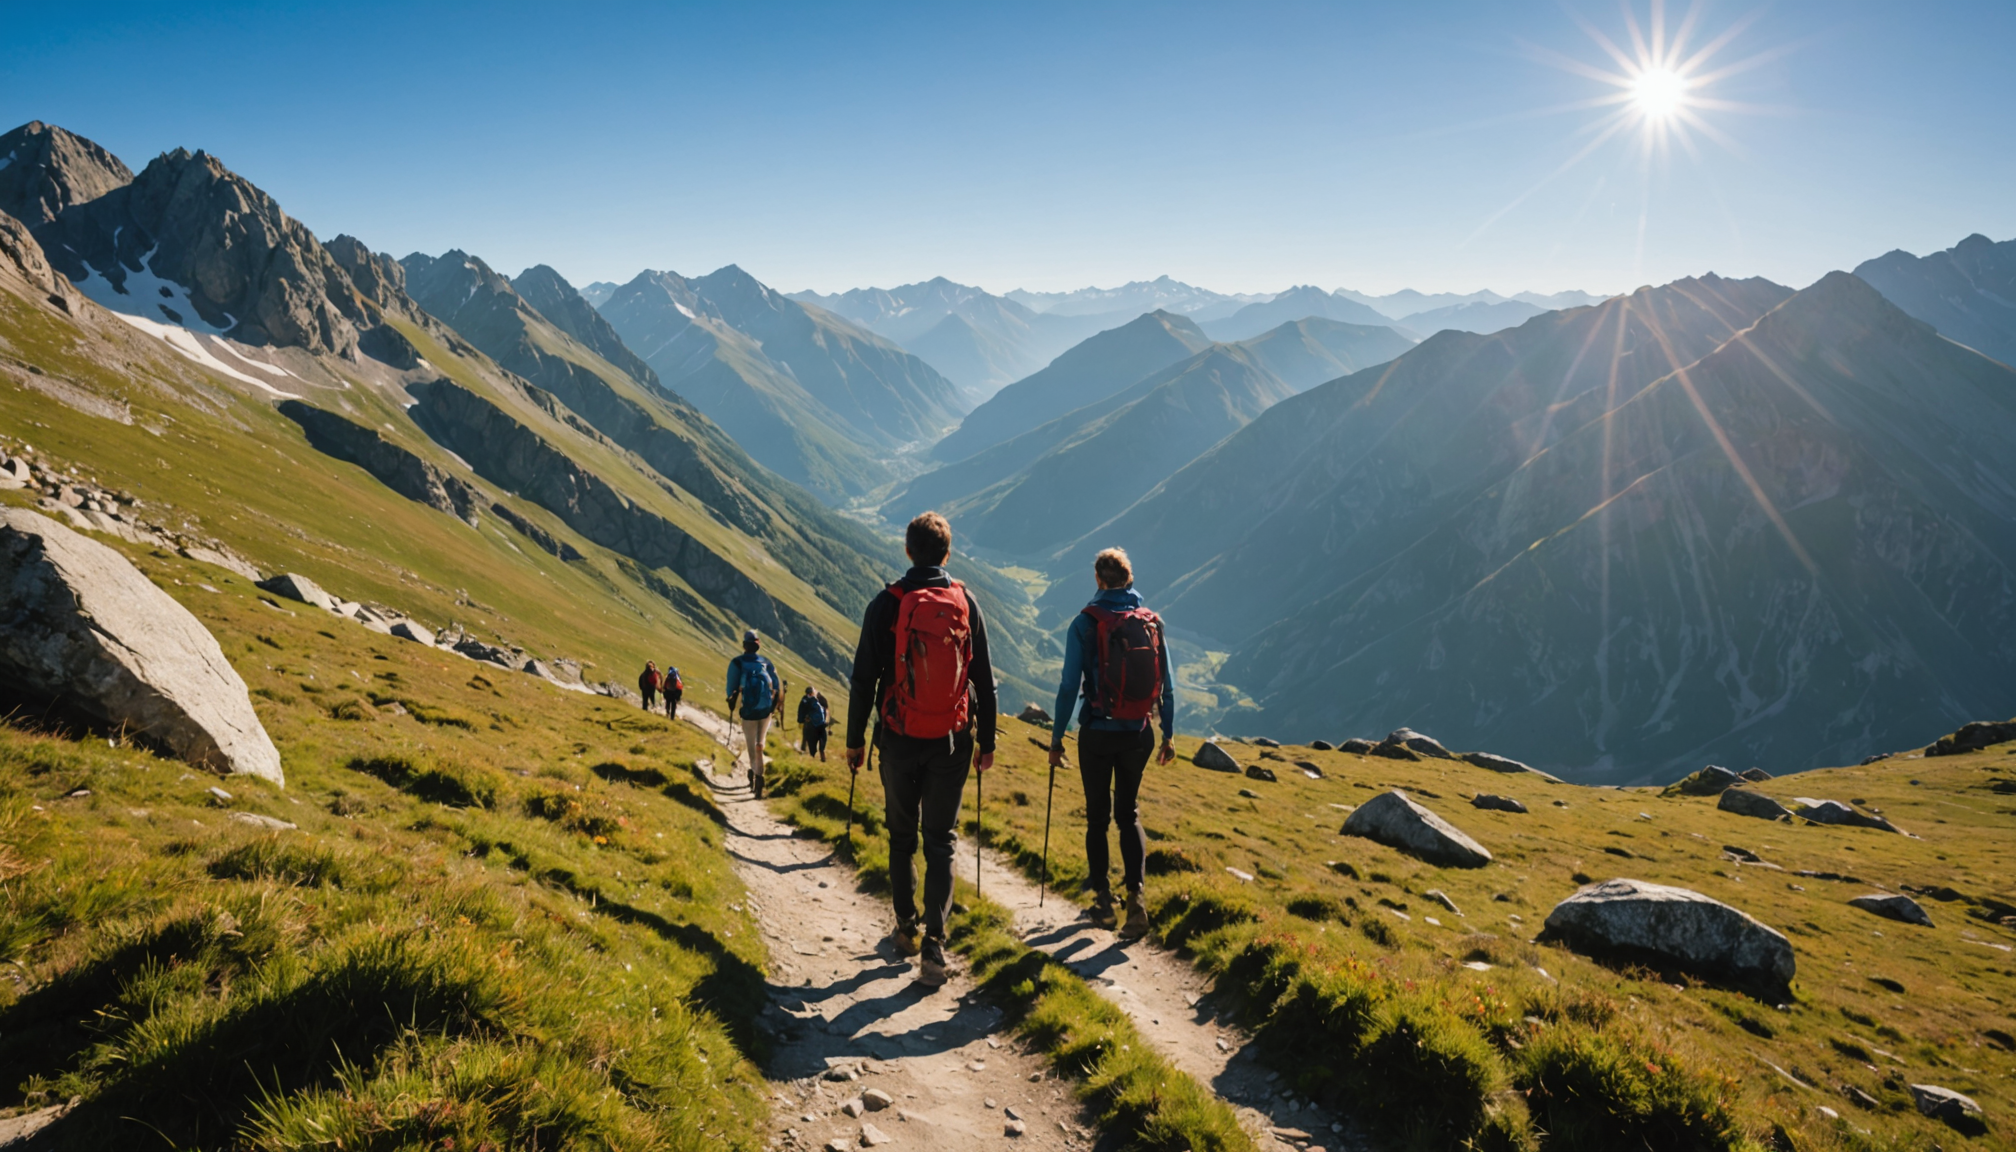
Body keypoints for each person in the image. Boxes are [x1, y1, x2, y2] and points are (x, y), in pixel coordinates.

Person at [846, 511, 998, 986]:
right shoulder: (965, 601)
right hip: (952, 741)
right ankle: (935, 944)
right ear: (947, 554)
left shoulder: (888, 603)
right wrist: (987, 742)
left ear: (908, 550)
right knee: (941, 841)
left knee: (901, 836)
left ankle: (907, 928)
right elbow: (985, 682)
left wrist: (854, 741)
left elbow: (864, 679)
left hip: (898, 737)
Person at [1049, 547, 1175, 941]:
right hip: (1139, 732)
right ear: (1129, 579)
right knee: (1128, 813)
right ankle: (1136, 902)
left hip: (1098, 732)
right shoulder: (1152, 623)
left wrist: (1057, 739)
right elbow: (1167, 687)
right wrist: (1168, 733)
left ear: (1099, 580)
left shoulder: (1086, 623)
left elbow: (1070, 685)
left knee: (1097, 816)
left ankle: (1103, 902)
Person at [725, 630, 781, 797]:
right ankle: (760, 776)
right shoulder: (767, 663)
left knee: (751, 745)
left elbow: (730, 690)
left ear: (744, 645)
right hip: (765, 710)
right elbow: (776, 686)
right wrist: (772, 707)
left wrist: (732, 702)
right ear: (758, 646)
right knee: (760, 743)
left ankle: (754, 774)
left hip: (748, 711)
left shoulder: (737, 663)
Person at [797, 685, 830, 761]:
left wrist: (800, 720)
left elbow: (801, 710)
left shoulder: (806, 699)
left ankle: (804, 749)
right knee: (819, 738)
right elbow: (825, 710)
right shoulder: (818, 699)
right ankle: (821, 754)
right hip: (819, 723)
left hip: (812, 722)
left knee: (806, 735)